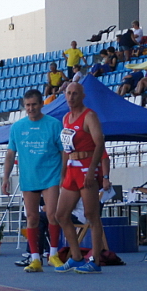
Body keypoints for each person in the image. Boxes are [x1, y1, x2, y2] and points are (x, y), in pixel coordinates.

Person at [2, 89, 65, 272]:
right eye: (28, 105)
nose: (31, 108)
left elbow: (64, 151)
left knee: (52, 214)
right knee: (31, 217)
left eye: (34, 104)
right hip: (29, 177)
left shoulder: (54, 124)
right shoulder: (17, 127)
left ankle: (53, 254)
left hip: (51, 175)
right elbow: (10, 154)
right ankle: (35, 258)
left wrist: (63, 174)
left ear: (41, 104)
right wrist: (6, 177)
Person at [54, 81, 106, 273]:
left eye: (75, 93)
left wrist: (93, 170)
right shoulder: (66, 118)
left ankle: (96, 260)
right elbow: (66, 148)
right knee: (61, 215)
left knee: (91, 215)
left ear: (82, 96)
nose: (71, 97)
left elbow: (100, 143)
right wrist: (63, 173)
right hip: (72, 168)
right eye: (68, 93)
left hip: (86, 167)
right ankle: (76, 256)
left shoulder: (89, 116)